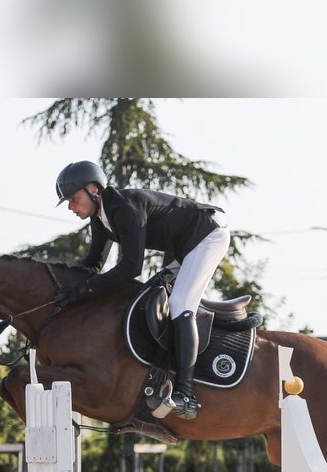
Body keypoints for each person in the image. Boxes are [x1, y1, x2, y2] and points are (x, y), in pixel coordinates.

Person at [53, 160, 231, 420]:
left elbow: (131, 267)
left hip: (207, 233)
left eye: (72, 198)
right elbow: (93, 266)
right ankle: (166, 375)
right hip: (181, 244)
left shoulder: (124, 207)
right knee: (159, 299)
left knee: (180, 303)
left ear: (93, 190)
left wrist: (86, 289)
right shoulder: (101, 219)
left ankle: (186, 396)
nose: (70, 206)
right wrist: (63, 287)